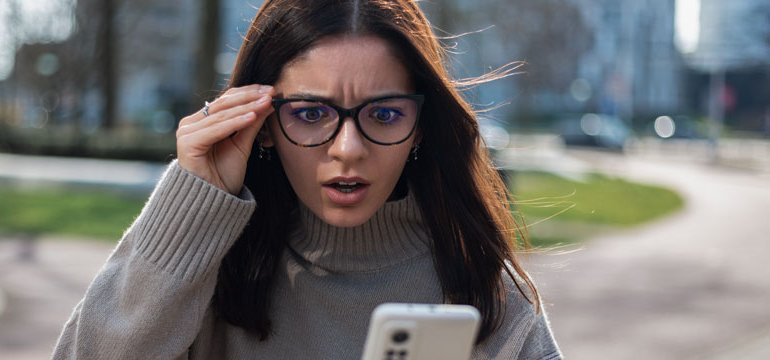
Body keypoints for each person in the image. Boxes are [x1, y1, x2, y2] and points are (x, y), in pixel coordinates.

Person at [52, 0, 561, 359]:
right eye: (311, 113)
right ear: (265, 124)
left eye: (384, 115)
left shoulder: (486, 295)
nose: (347, 148)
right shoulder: (207, 278)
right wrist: (189, 205)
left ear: (420, 129)